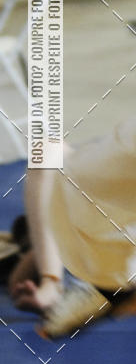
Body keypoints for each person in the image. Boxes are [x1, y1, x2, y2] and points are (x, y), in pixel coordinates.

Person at [9, 122, 136, 337]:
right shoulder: (69, 228)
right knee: (46, 152)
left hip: (117, 268)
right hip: (103, 263)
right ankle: (53, 287)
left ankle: (112, 287)